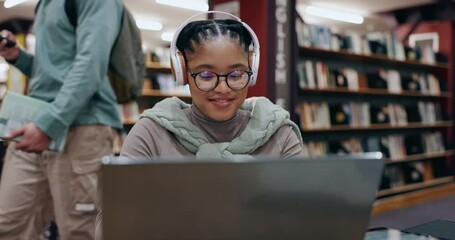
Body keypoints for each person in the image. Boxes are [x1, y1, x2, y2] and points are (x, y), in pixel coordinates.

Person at [0, 0, 123, 238]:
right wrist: (18, 57)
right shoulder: (45, 4)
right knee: (8, 224)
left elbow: (91, 63)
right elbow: (53, 72)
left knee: (79, 230)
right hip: (38, 122)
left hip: (83, 126)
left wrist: (50, 123)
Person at [121, 12, 304, 158]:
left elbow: (301, 204)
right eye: (206, 75)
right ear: (183, 73)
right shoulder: (151, 134)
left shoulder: (280, 134)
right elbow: (119, 204)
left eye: (235, 74)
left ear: (252, 70)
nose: (223, 89)